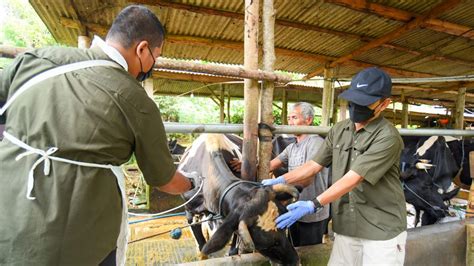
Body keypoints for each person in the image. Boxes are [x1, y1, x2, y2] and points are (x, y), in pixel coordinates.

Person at [0, 5, 196, 265]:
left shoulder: (36, 60)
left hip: (8, 217)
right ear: (142, 49)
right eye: (155, 56)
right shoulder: (136, 101)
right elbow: (164, 180)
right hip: (79, 241)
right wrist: (194, 184)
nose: (153, 65)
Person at [272, 67, 407, 265]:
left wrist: (314, 204)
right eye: (354, 99)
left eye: (365, 101)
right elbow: (313, 165)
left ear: (384, 104)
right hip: (347, 227)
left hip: (381, 230)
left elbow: (354, 177)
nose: (357, 106)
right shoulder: (340, 129)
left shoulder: (388, 137)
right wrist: (279, 181)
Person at [260, 102, 330, 247]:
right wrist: (247, 166)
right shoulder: (292, 147)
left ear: (308, 120)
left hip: (312, 213)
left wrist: (278, 184)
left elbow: (307, 179)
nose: (290, 122)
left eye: (294, 118)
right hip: (294, 209)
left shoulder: (316, 142)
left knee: (309, 254)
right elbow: (269, 166)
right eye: (289, 118)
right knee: (294, 249)